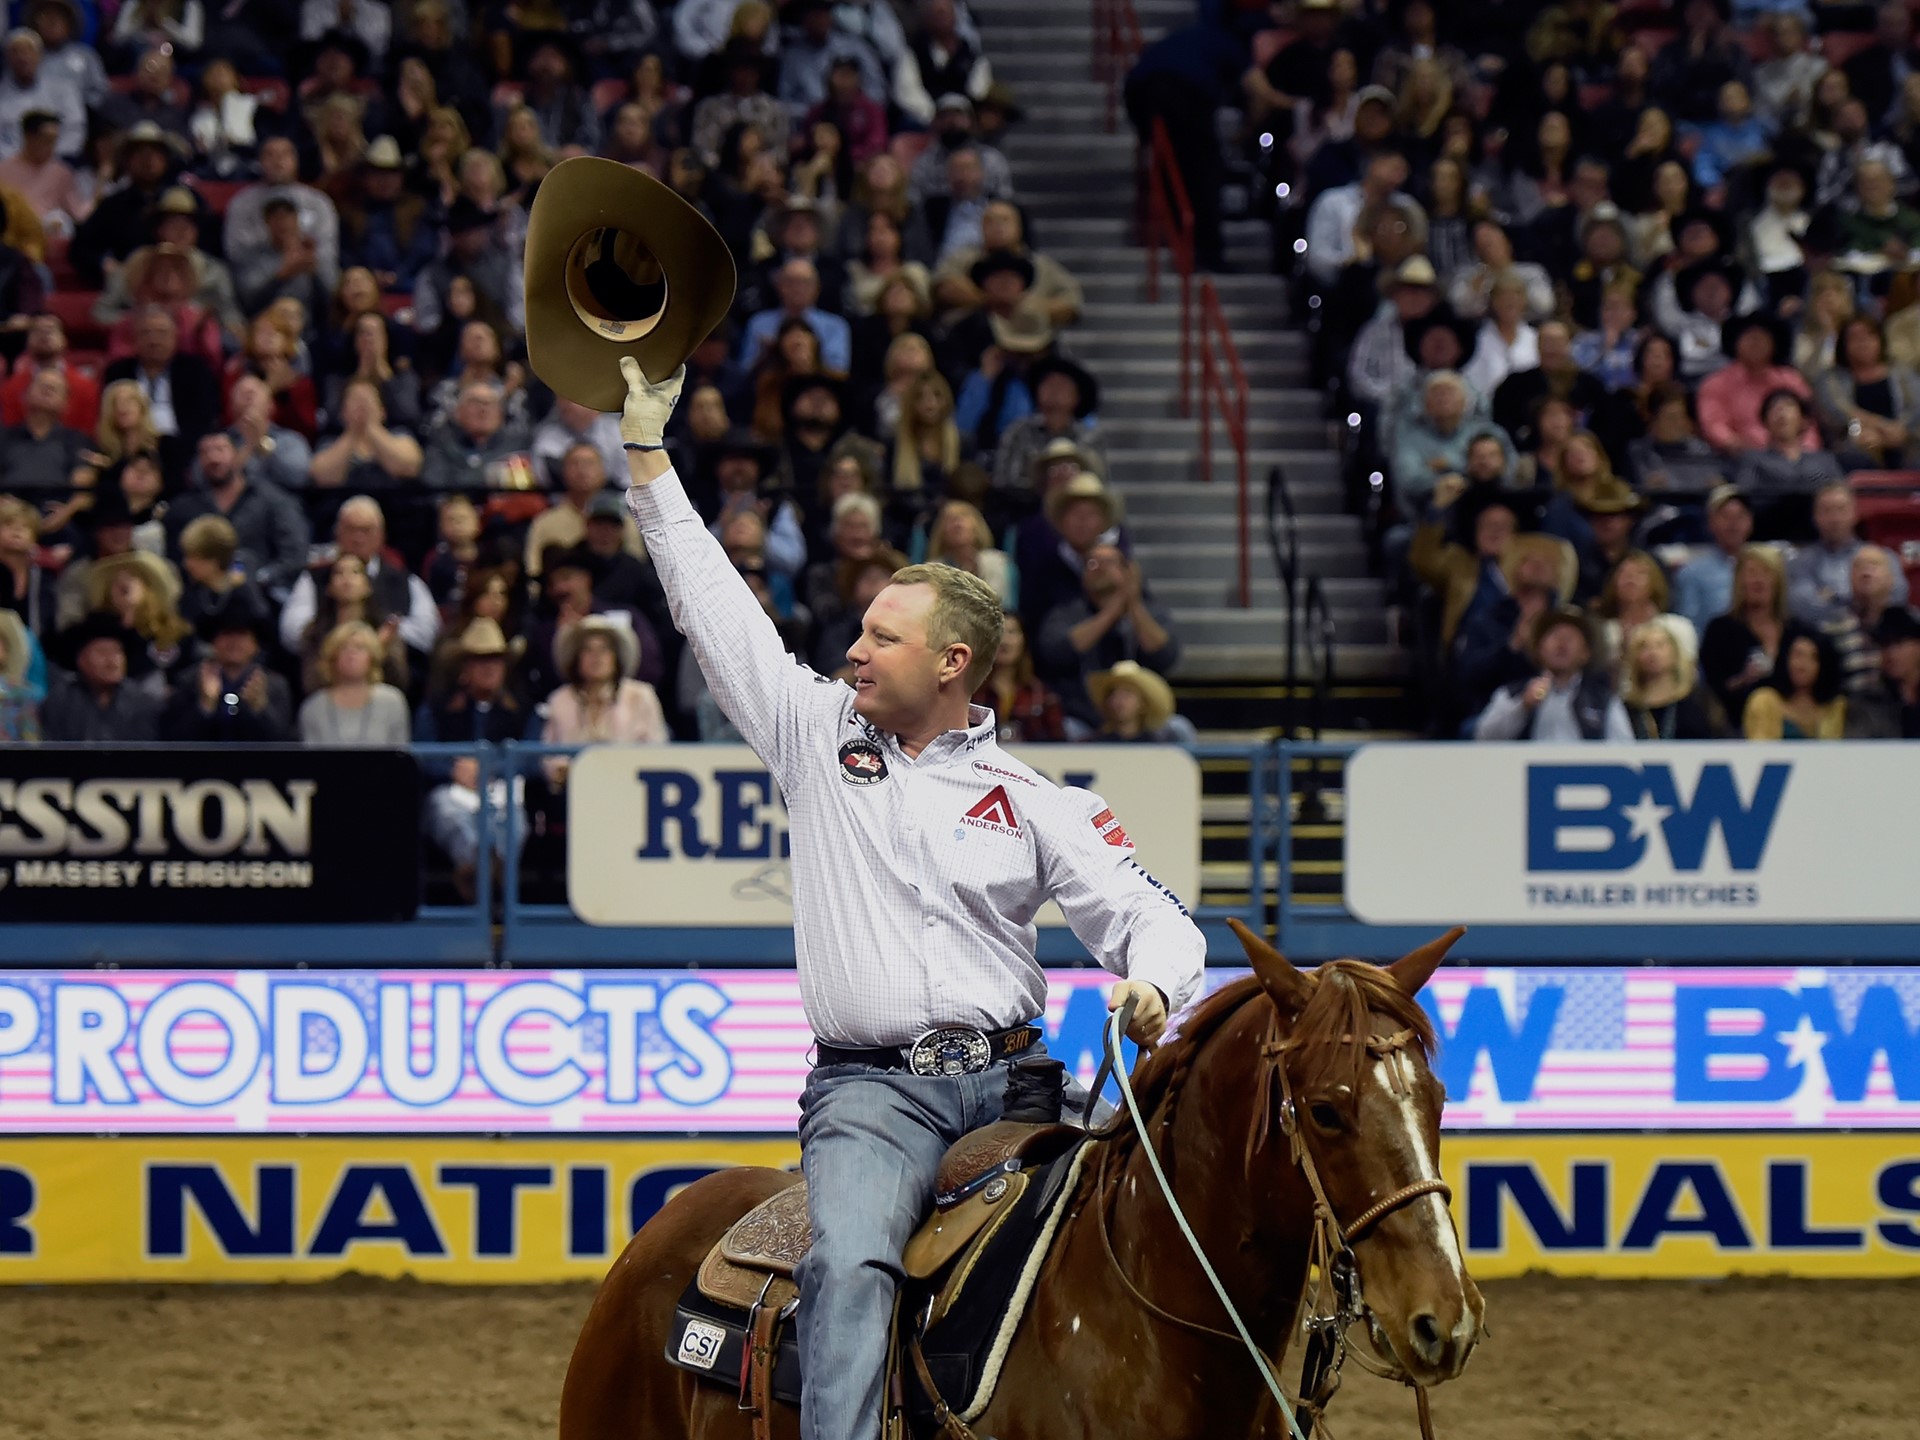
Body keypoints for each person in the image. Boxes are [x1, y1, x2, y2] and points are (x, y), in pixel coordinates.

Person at [617, 355, 1203, 1440]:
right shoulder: (811, 731)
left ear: (954, 662)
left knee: (1155, 1229)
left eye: (882, 636)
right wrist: (649, 461)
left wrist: (1154, 986)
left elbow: (1150, 913)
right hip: (872, 1098)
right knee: (848, 1260)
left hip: (1024, 1085)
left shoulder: (1036, 799)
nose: (852, 649)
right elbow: (713, 607)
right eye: (861, 630)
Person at [414, 616, 530, 899]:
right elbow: (420, 754)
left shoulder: (521, 707)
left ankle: (482, 875)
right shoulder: (437, 707)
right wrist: (453, 770)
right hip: (453, 790)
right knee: (449, 815)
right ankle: (484, 869)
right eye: (480, 660)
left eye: (495, 660)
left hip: (502, 789)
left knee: (516, 822)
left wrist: (492, 769)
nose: (489, 668)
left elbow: (531, 758)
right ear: (465, 667)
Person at [1034, 540, 1180, 737]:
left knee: (1180, 729)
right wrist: (1112, 611)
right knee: (1066, 729)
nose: (1100, 568)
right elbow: (1057, 652)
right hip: (1082, 716)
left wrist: (1133, 604)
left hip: (1140, 719)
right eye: (1092, 563)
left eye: (1109, 562)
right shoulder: (1066, 614)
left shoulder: (1151, 612)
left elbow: (1165, 655)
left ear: (1128, 571)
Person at [538, 613, 669, 788]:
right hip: (574, 792)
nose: (596, 656)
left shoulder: (641, 696)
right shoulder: (560, 700)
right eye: (588, 650)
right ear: (577, 658)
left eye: (604, 649)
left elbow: (657, 750)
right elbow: (548, 756)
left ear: (616, 657)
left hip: (630, 789)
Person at [1474, 606, 1634, 741]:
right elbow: (1484, 737)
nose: (1561, 642)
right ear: (1539, 649)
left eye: (1570, 637)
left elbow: (1624, 748)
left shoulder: (1604, 700)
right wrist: (1522, 707)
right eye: (1554, 635)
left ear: (1585, 653)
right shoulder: (1514, 693)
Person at [161, 587, 293, 742]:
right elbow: (173, 740)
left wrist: (260, 709)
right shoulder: (189, 681)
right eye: (226, 634)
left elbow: (283, 743)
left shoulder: (275, 685)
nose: (234, 642)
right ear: (213, 641)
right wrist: (205, 706)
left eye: (242, 635)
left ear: (256, 644)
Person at [1700, 542, 1808, 729]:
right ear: (1738, 580)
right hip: (1733, 726)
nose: (1759, 580)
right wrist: (1744, 678)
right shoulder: (1720, 630)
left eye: (1766, 572)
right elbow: (1713, 689)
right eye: (1751, 573)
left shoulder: (1797, 631)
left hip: (1792, 726)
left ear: (1778, 580)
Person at [1786, 481, 1909, 618]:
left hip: (1879, 633)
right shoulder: (1800, 562)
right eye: (1827, 510)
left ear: (1855, 514)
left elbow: (1898, 596)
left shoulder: (1882, 556)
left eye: (1841, 509)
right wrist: (1861, 601)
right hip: (1822, 634)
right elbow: (1800, 604)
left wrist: (1831, 597)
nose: (1835, 518)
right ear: (1815, 517)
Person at [41, 611, 163, 741]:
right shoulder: (60, 703)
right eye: (102, 652)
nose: (112, 661)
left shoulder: (144, 704)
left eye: (117, 652)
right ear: (80, 659)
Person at [299, 619, 410, 745]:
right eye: (343, 647)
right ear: (332, 657)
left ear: (372, 657)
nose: (351, 653)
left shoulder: (393, 701)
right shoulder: (313, 708)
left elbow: (400, 756)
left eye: (360, 647)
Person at [1673, 484, 1757, 635]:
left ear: (1750, 521)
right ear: (1710, 522)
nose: (1733, 524)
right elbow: (1688, 627)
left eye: (1740, 516)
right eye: (1725, 516)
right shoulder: (1692, 573)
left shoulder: (1764, 569)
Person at [1621, 615, 1720, 739]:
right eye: (1644, 647)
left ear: (1675, 653)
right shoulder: (1627, 708)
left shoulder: (1699, 701)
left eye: (1660, 645)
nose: (1653, 653)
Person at [972, 609, 1063, 742]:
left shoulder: (1040, 695)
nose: (1004, 641)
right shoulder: (971, 692)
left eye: (1012, 632)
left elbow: (1059, 744)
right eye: (998, 633)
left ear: (1024, 640)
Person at [1742, 631, 1847, 739]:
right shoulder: (1764, 701)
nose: (1802, 665)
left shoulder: (1836, 706)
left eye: (1813, 658)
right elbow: (1762, 751)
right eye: (1797, 655)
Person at [1846, 607, 1920, 738]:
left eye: (1899, 643)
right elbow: (1858, 751)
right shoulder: (1867, 703)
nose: (1891, 654)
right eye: (1885, 644)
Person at [1087, 658, 1194, 744]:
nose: (1117, 700)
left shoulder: (1160, 744)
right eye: (1113, 694)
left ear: (1143, 704)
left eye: (1127, 693)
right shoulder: (1096, 744)